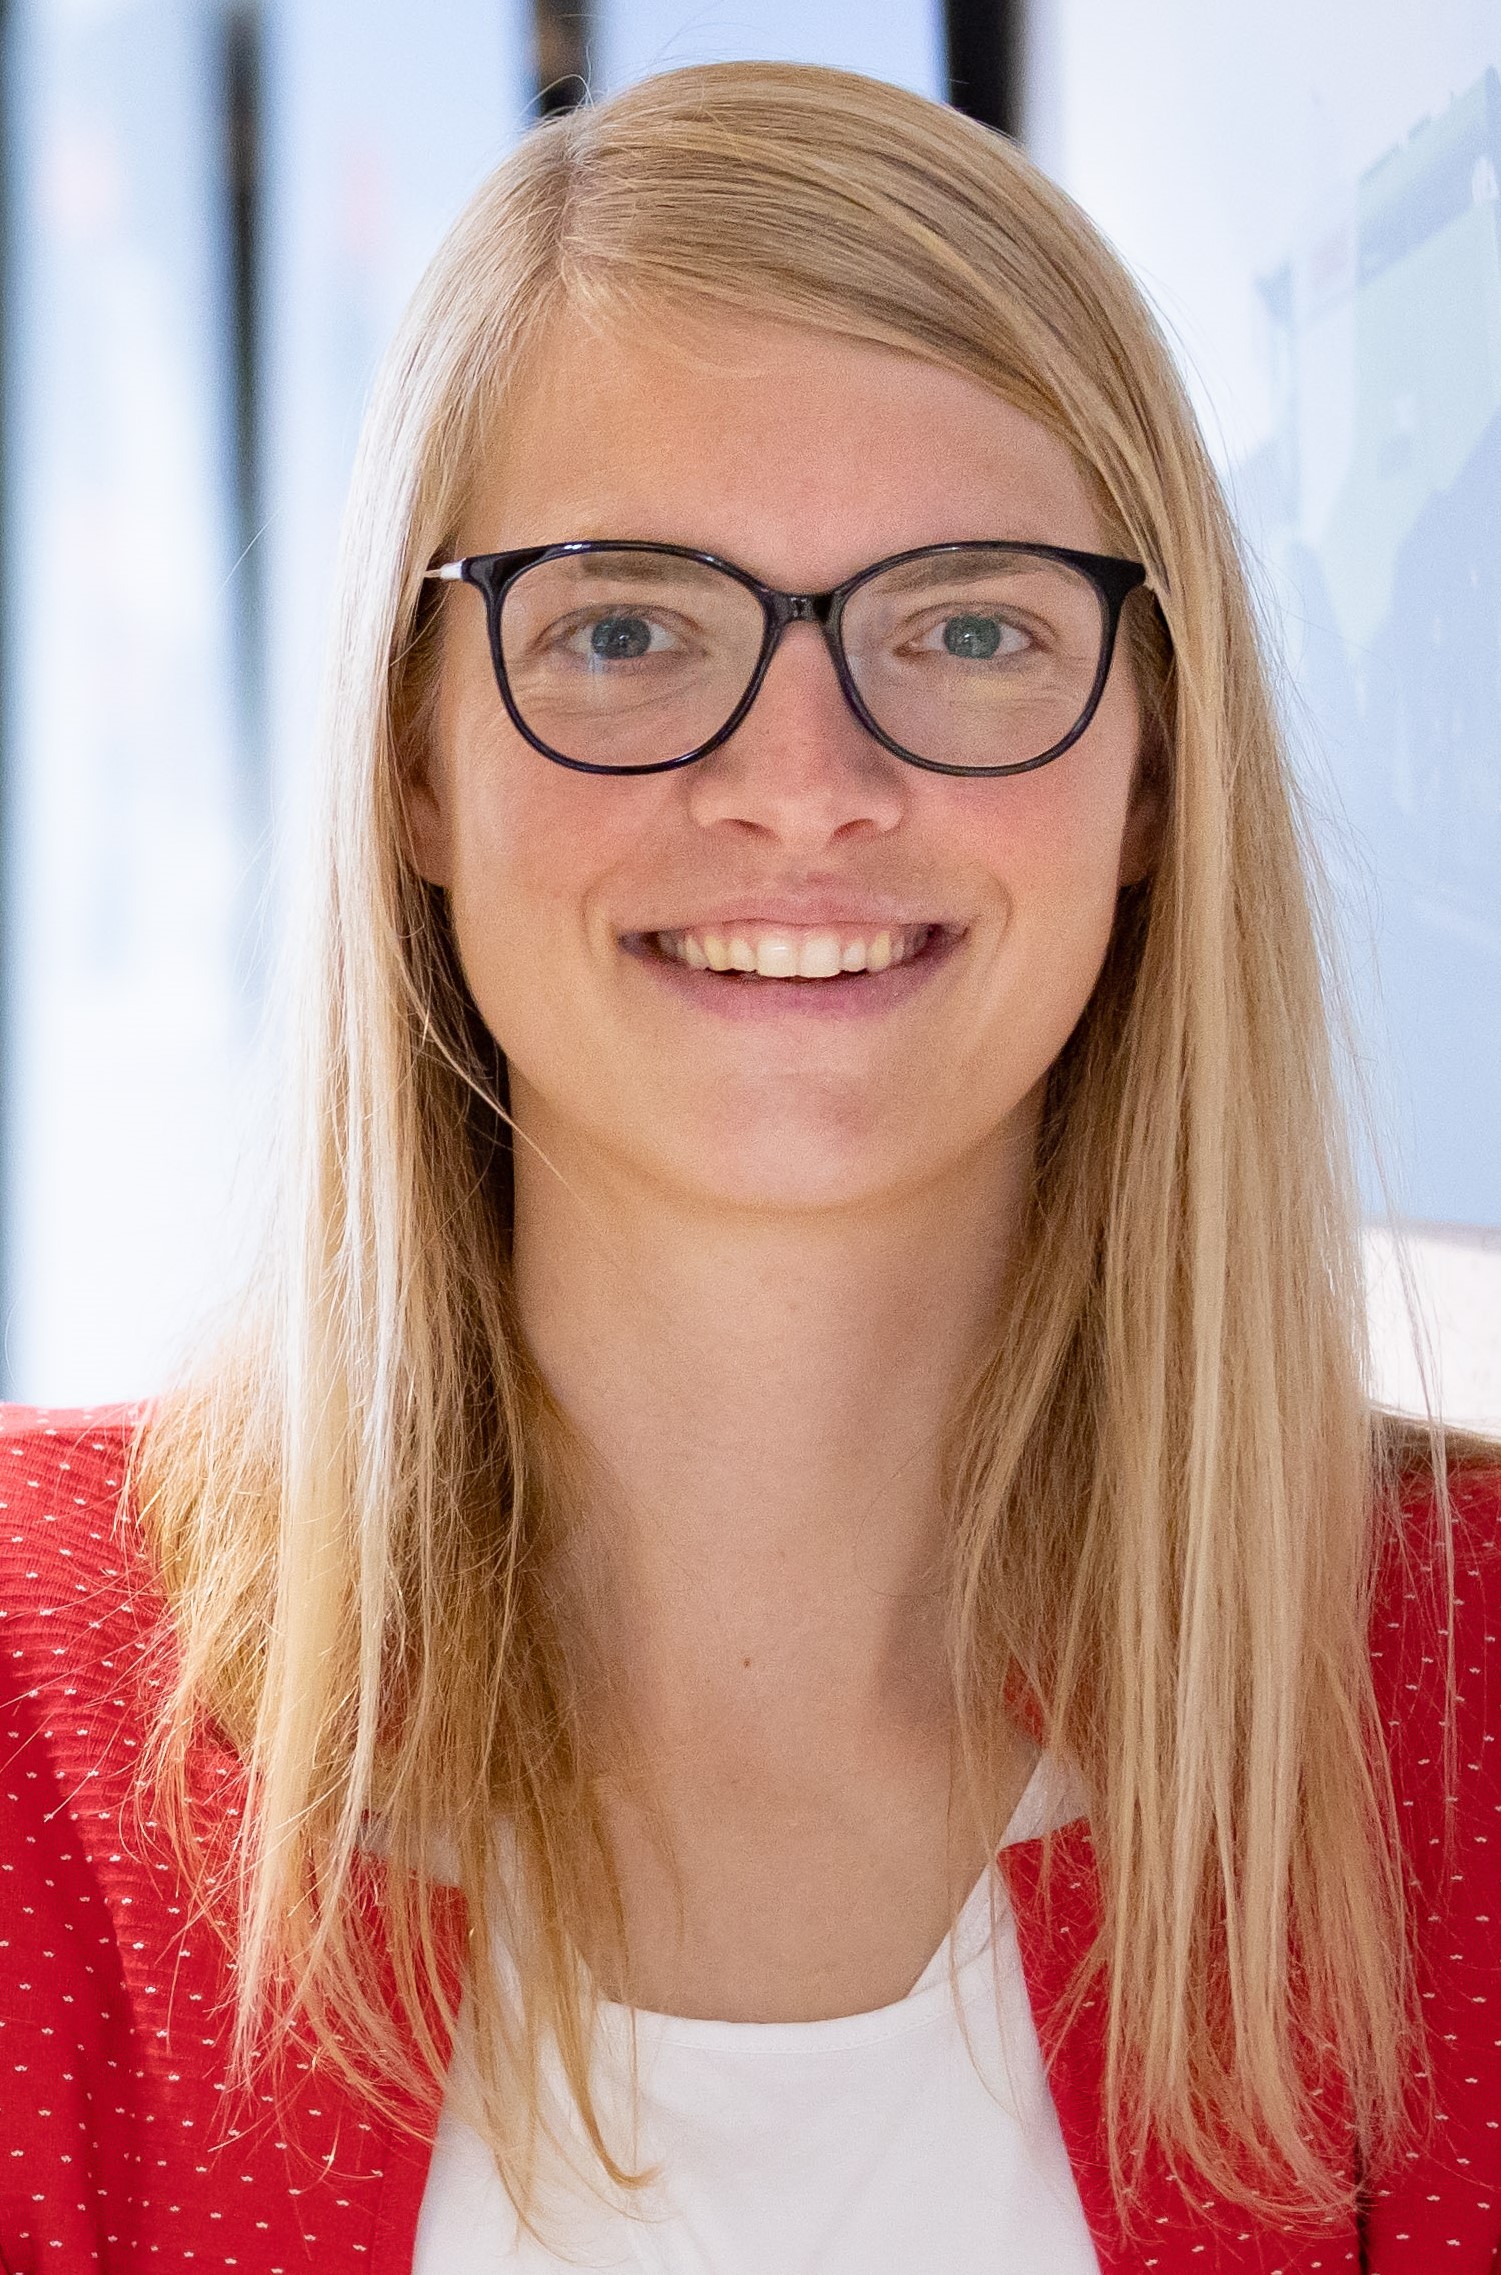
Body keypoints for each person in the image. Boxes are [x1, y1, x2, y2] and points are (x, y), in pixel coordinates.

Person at [1, 59, 1497, 2275]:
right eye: (624, 630)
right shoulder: (28, 1690)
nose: (803, 784)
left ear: (1154, 769)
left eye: (969, 628)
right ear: (413, 762)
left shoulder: (1460, 1695)